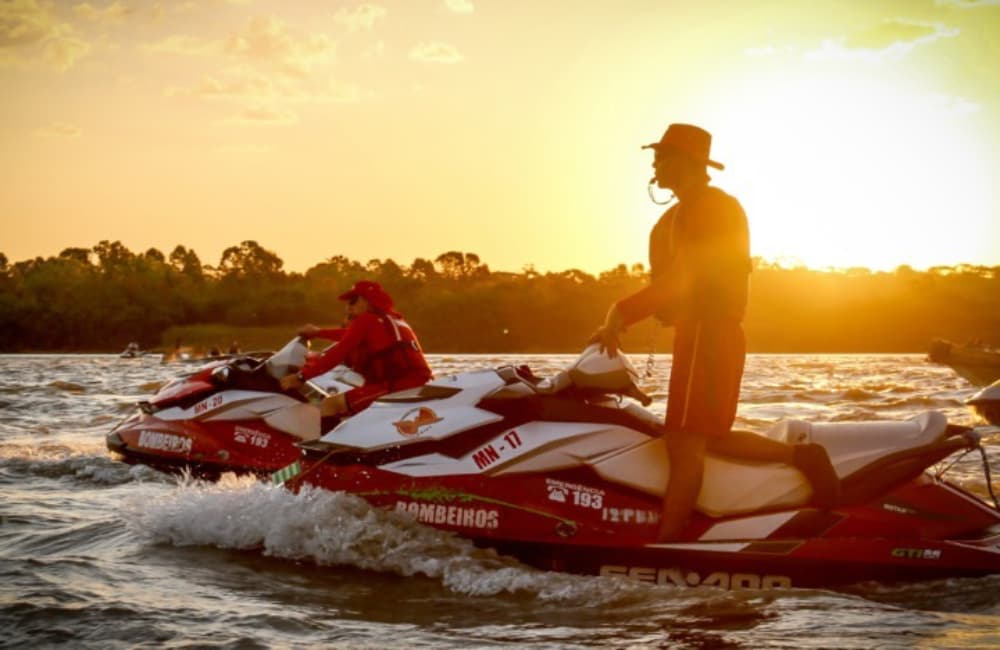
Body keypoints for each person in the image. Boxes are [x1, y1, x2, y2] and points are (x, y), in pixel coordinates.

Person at [593, 123, 840, 541]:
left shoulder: (709, 206)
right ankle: (801, 456)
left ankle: (667, 545)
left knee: (683, 444)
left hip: (709, 333)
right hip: (703, 334)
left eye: (662, 156)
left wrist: (622, 312)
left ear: (685, 163)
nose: (654, 164)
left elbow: (684, 278)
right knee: (707, 437)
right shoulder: (687, 210)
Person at [279, 280, 432, 432]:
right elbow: (349, 335)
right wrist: (318, 333)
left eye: (353, 301)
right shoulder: (393, 319)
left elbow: (338, 353)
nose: (348, 306)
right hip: (418, 382)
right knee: (350, 406)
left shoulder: (367, 319)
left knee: (330, 405)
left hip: (401, 385)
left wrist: (300, 377)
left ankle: (326, 453)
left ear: (367, 300)